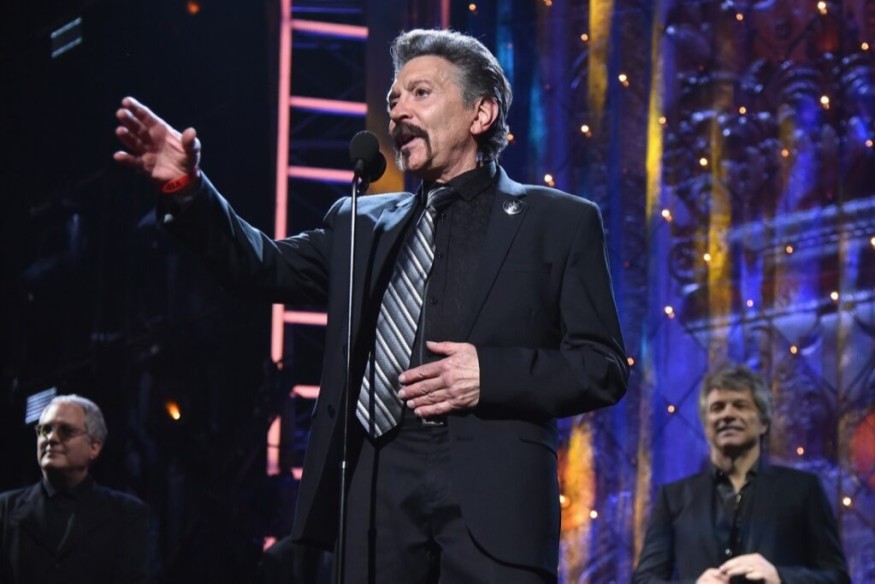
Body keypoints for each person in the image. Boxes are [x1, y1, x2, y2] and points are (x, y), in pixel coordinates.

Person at [114, 28, 628, 583]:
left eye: (420, 93)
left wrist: (490, 374)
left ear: (481, 114)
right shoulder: (360, 223)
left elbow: (600, 367)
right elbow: (259, 265)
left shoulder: (559, 221)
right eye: (393, 99)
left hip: (495, 493)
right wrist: (188, 189)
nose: (398, 110)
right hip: (374, 480)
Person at [633, 364, 850, 583]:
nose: (727, 414)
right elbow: (644, 580)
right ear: (706, 426)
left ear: (763, 423)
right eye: (717, 407)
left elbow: (838, 577)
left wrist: (780, 577)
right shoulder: (673, 498)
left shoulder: (803, 490)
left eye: (740, 405)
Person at [0, 394, 149, 584]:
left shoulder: (127, 514)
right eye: (45, 429)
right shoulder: (4, 509)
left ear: (94, 447)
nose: (51, 438)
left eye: (66, 431)